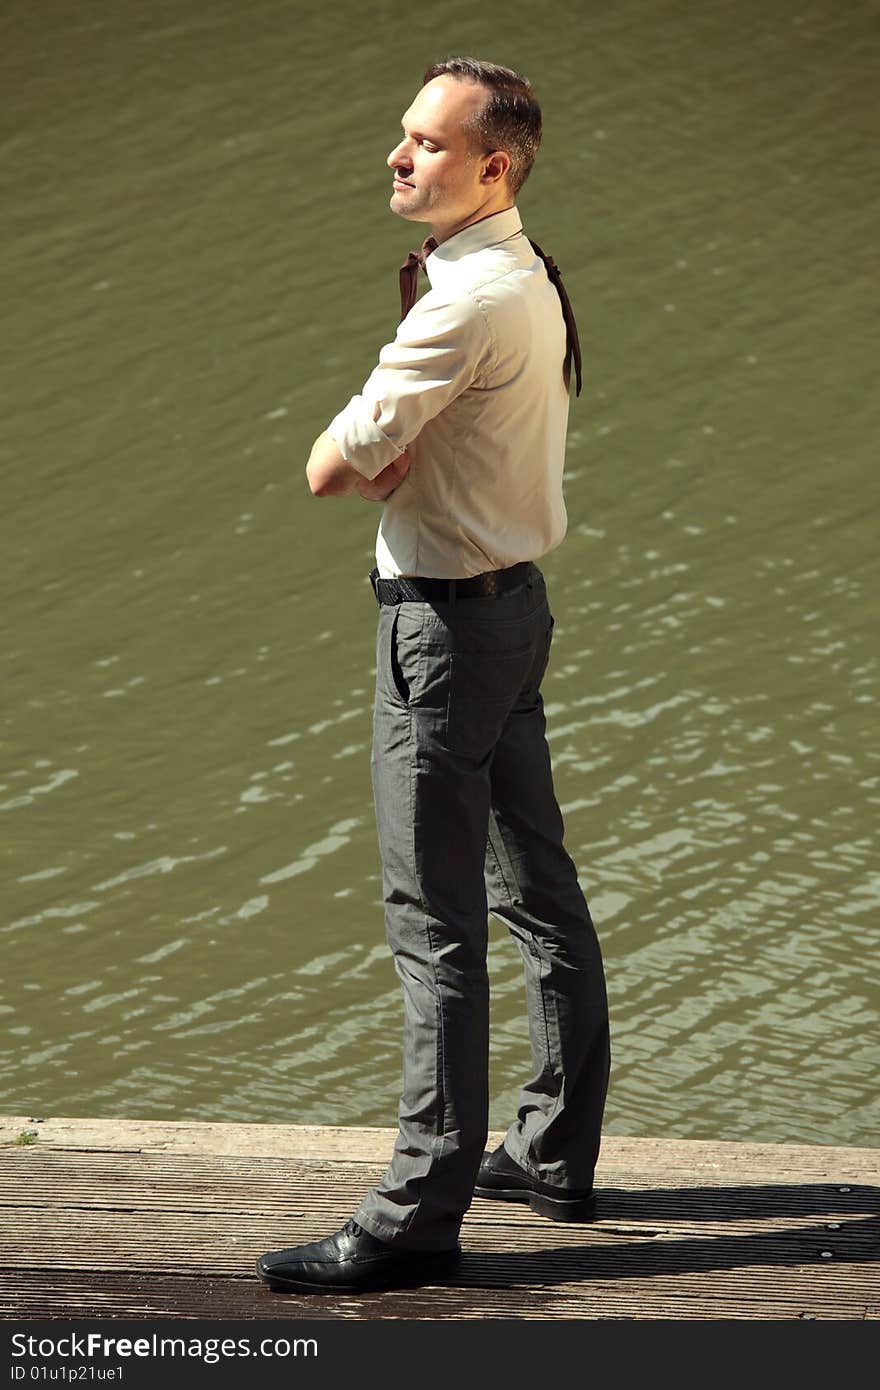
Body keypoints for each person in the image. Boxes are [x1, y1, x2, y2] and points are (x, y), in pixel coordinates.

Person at [257, 56, 610, 1295]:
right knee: (538, 888)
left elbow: (325, 467)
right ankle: (554, 1150)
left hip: (445, 638)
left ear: (492, 166)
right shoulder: (526, 276)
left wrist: (373, 459)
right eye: (401, 134)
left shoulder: (459, 305)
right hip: (514, 611)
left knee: (434, 927)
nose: (398, 156)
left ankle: (416, 1208)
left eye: (426, 142)